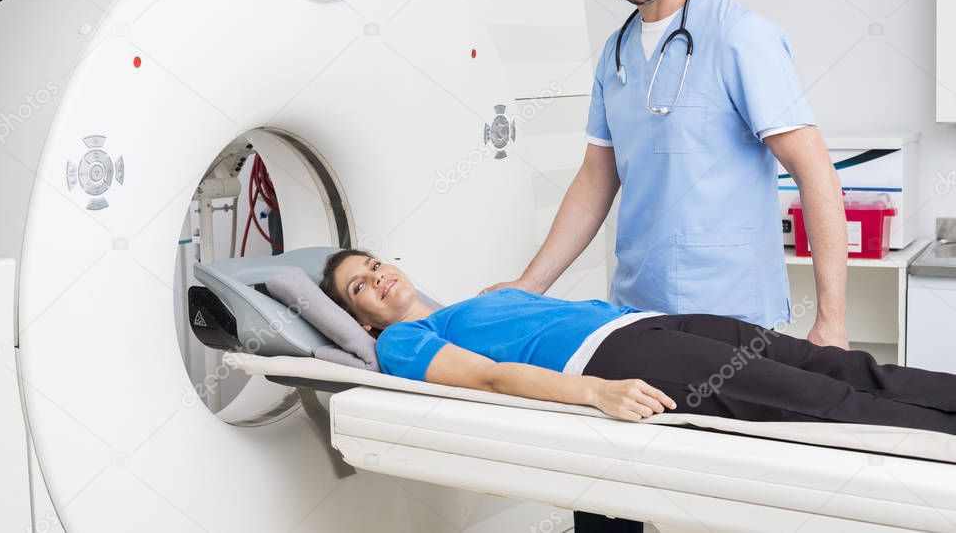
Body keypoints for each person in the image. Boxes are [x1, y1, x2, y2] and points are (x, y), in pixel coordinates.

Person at [479, 0, 851, 530]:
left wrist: (831, 320)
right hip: (636, 313)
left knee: (718, 502)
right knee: (604, 488)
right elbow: (596, 178)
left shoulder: (741, 36)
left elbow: (815, 172)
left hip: (731, 318)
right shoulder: (616, 53)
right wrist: (528, 286)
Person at [320, 249, 956, 439]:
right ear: (364, 319)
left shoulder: (480, 297)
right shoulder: (403, 340)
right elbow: (488, 378)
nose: (377, 279)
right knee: (818, 398)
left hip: (653, 324)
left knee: (840, 364)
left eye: (374, 264)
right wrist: (595, 391)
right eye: (360, 288)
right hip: (618, 359)